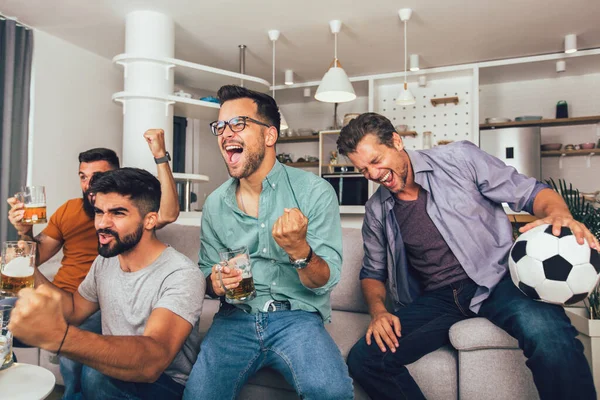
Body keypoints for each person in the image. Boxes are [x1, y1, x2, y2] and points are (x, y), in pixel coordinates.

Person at [337, 113, 598, 400]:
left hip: (500, 279)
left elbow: (531, 193)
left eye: (376, 161)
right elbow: (373, 273)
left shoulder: (459, 159)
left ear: (396, 142)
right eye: (363, 170)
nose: (373, 175)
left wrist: (558, 214)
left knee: (549, 334)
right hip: (439, 298)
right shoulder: (377, 209)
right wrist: (379, 311)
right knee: (365, 359)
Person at [182, 85, 353, 400]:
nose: (225, 133)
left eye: (238, 124)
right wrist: (215, 282)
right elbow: (205, 274)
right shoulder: (216, 204)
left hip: (297, 318)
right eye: (220, 126)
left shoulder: (314, 192)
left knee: (331, 392)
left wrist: (300, 251)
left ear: (270, 136)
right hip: (235, 318)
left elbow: (323, 283)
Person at [4, 129, 180, 395]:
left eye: (97, 178)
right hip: (64, 297)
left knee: (81, 352)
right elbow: (36, 256)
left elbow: (166, 212)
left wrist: (159, 157)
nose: (88, 186)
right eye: (83, 177)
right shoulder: (69, 211)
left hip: (96, 304)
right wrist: (24, 233)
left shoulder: (135, 220)